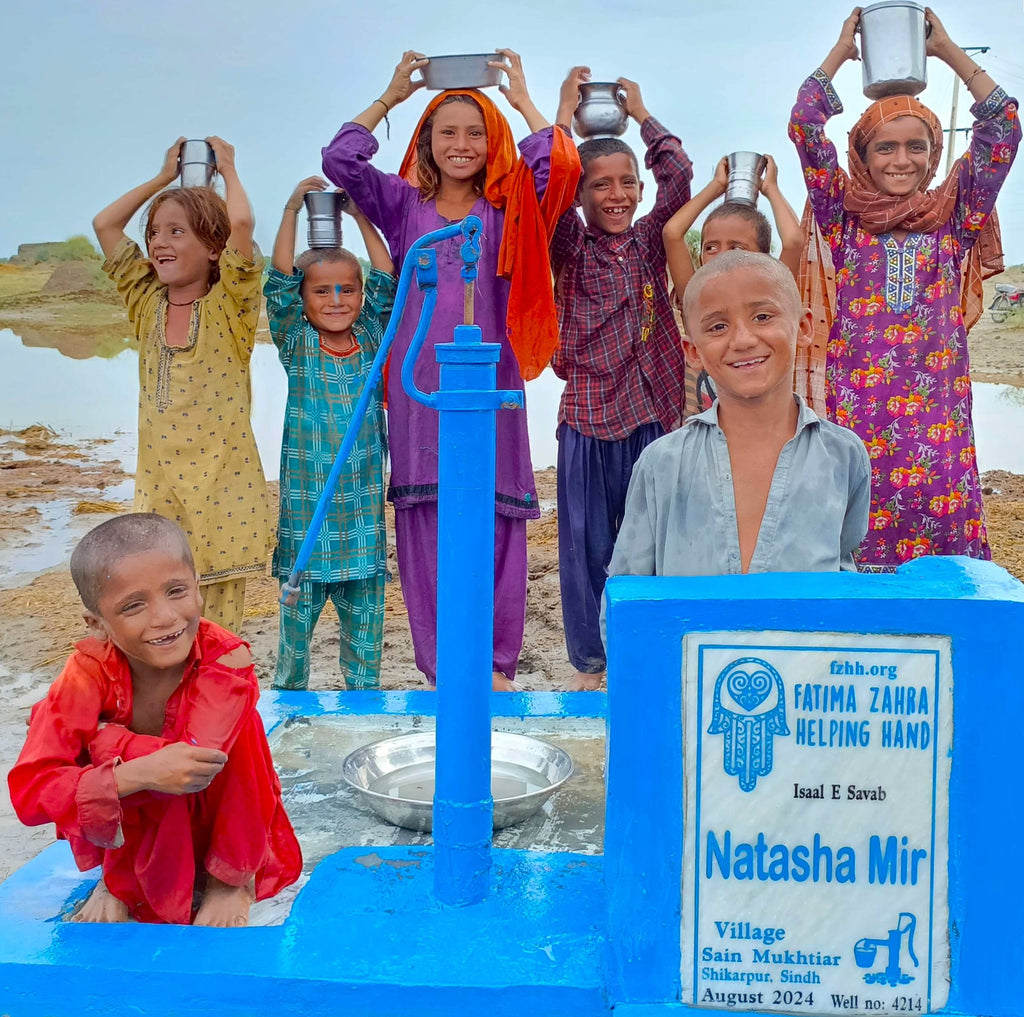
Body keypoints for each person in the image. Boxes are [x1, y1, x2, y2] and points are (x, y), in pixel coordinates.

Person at [322, 49, 581, 690]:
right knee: (424, 517)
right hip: (418, 389)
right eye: (447, 132)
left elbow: (559, 164)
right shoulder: (403, 205)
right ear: (427, 143)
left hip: (493, 386)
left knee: (497, 515)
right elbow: (340, 160)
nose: (461, 145)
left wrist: (521, 96)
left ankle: (495, 664)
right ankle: (441, 667)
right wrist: (392, 94)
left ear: (491, 142)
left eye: (474, 132)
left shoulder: (511, 207)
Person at [790, 7, 1021, 568]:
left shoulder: (956, 215)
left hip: (937, 411)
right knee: (858, 517)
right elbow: (804, 126)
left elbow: (1005, 127)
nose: (901, 160)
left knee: (942, 536)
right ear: (862, 158)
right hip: (860, 406)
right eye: (884, 148)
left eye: (915, 146)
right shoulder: (842, 214)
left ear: (934, 153)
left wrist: (946, 53)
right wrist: (844, 54)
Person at [8, 514, 301, 926]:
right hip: (140, 815)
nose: (164, 617)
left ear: (198, 591)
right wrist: (133, 773)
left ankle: (230, 880)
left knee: (243, 733)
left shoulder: (226, 657)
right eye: (133, 605)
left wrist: (108, 744)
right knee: (64, 730)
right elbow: (32, 791)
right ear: (98, 625)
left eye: (176, 591)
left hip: (215, 812)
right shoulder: (85, 673)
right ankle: (118, 879)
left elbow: (194, 766)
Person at [549, 66, 693, 690]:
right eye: (600, 185)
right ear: (581, 197)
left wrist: (642, 113)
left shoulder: (650, 243)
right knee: (583, 549)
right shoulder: (570, 247)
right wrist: (559, 114)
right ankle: (589, 662)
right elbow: (546, 187)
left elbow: (680, 178)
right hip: (585, 420)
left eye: (627, 183)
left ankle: (647, 646)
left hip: (649, 417)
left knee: (655, 539)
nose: (617, 194)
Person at [92, 138, 271, 633]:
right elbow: (105, 225)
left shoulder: (229, 309)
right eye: (154, 233)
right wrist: (162, 179)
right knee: (164, 621)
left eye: (177, 232)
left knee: (216, 631)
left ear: (213, 248)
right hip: (160, 493)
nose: (159, 243)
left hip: (224, 494)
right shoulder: (144, 303)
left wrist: (228, 170)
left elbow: (242, 226)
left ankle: (221, 706)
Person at [608, 251, 869, 580]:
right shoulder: (663, 463)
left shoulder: (842, 455)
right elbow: (626, 599)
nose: (743, 340)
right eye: (718, 326)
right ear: (693, 352)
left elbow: (843, 573)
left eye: (762, 317)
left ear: (803, 327)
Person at [266, 177, 396, 691]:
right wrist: (292, 208)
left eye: (348, 289)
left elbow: (386, 274)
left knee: (365, 647)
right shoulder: (297, 342)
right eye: (322, 290)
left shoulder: (370, 339)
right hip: (306, 524)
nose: (337, 299)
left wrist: (361, 213)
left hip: (362, 523)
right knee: (293, 645)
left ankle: (362, 712)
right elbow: (277, 281)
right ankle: (289, 707)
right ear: (304, 298)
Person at [664, 156, 804, 416]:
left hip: (765, 426)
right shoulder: (696, 296)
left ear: (762, 255)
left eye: (736, 246)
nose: (721, 254)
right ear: (700, 256)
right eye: (711, 247)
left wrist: (771, 189)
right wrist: (717, 186)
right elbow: (672, 232)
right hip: (704, 433)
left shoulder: (772, 291)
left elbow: (794, 241)